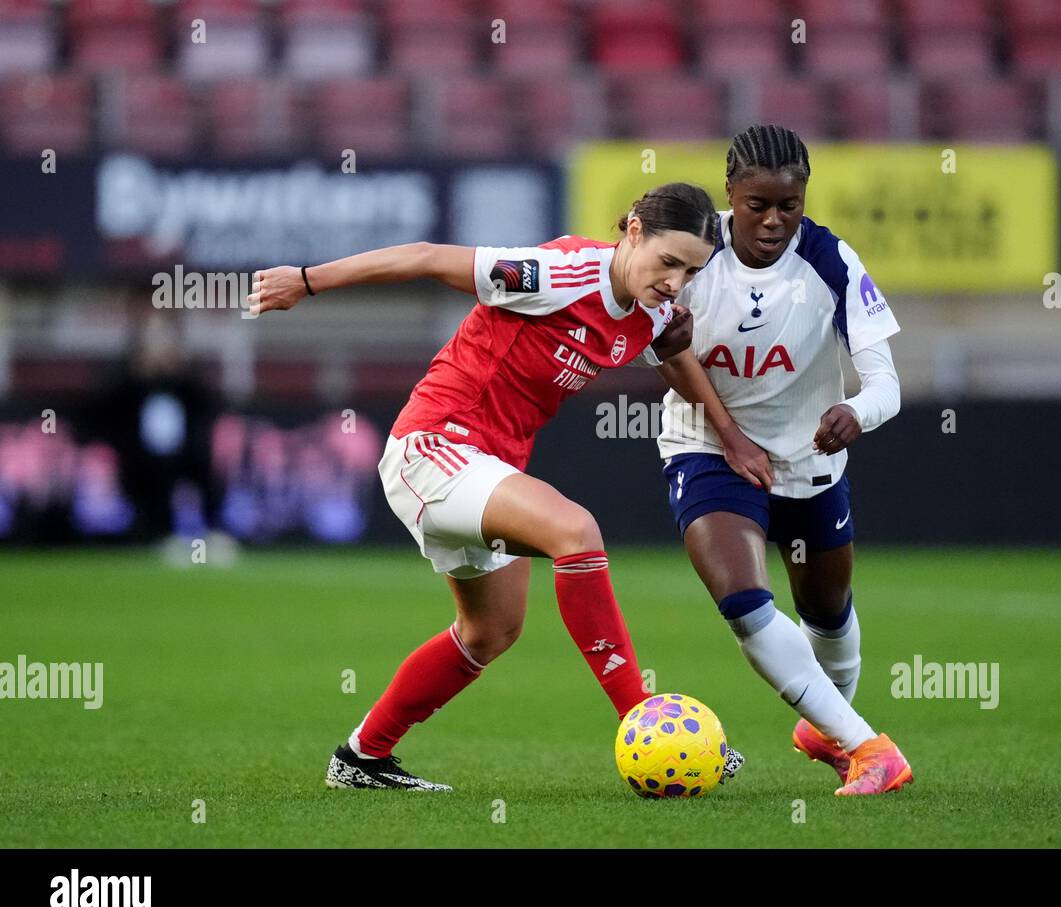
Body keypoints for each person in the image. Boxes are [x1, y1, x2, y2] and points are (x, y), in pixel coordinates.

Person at [248, 182, 744, 791]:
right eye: (669, 261)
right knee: (575, 530)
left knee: (490, 632)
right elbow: (429, 257)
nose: (675, 281)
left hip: (486, 466)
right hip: (433, 447)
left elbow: (674, 356)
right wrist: (307, 279)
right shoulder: (556, 274)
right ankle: (647, 723)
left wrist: (731, 436)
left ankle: (361, 759)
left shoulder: (649, 309)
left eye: (691, 270)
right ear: (633, 231)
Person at [654, 126, 912, 795]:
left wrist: (858, 412)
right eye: (756, 204)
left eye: (788, 206)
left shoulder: (832, 262)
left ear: (804, 199)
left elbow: (886, 381)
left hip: (806, 459)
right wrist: (664, 344)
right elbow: (646, 334)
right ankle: (869, 747)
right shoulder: (692, 251)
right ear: (729, 194)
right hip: (707, 445)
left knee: (826, 611)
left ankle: (828, 728)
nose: (772, 220)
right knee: (743, 598)